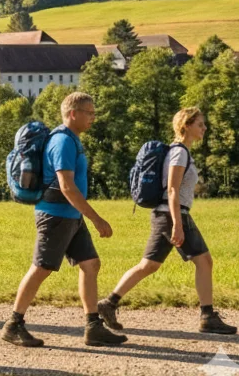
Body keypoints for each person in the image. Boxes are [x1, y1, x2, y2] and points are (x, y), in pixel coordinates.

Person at [2, 92, 126, 347]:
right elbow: (67, 186)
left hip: (71, 215)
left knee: (90, 264)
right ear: (73, 114)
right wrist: (96, 218)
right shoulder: (63, 142)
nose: (93, 117)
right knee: (41, 268)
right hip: (56, 215)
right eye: (89, 112)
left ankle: (93, 327)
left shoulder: (71, 139)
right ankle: (13, 325)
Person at [99, 108, 236, 334]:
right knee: (204, 261)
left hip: (168, 214)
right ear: (186, 126)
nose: (204, 128)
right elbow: (171, 189)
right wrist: (178, 224)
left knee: (149, 265)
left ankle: (108, 303)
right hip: (173, 215)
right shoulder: (179, 152)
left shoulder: (181, 152)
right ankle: (207, 316)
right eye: (200, 124)